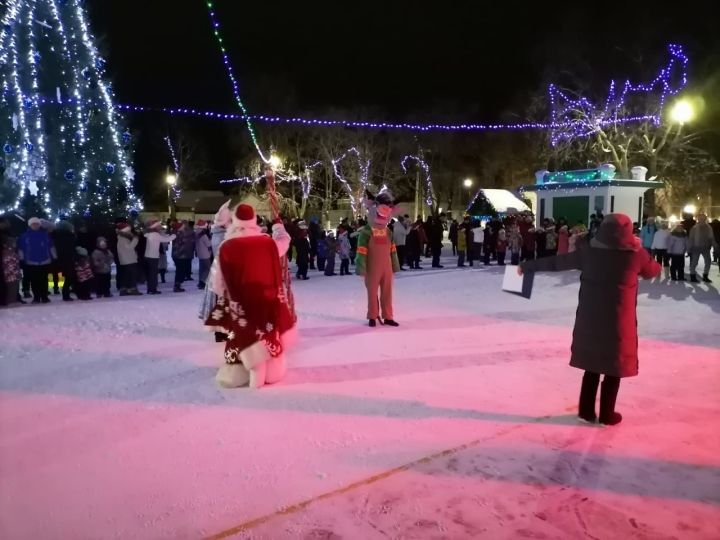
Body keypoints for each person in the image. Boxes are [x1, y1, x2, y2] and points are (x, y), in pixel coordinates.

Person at [519, 214, 661, 426]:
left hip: (590, 318)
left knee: (592, 365)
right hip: (619, 321)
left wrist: (528, 266)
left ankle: (586, 411)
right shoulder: (635, 254)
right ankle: (607, 414)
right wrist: (640, 252)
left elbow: (559, 262)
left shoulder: (589, 252)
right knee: (613, 367)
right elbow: (652, 270)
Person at [204, 203, 295, 389]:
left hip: (241, 302)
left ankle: (243, 372)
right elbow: (284, 242)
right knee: (268, 333)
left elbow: (217, 280)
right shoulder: (268, 243)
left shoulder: (227, 246)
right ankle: (271, 371)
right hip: (266, 300)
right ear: (254, 220)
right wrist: (278, 227)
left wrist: (225, 297)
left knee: (242, 335)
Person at [356, 191, 401, 327]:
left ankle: (388, 316)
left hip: (386, 268)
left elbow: (392, 250)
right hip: (372, 268)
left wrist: (395, 265)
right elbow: (361, 251)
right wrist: (361, 267)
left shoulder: (388, 231)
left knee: (387, 292)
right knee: (372, 292)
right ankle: (372, 316)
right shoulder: (366, 232)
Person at [200, 200, 232, 343]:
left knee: (220, 303)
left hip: (218, 271)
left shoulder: (218, 233)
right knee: (221, 303)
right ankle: (221, 332)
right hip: (222, 273)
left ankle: (221, 331)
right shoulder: (223, 236)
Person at [17, 217, 56, 303]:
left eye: (37, 224)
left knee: (44, 279)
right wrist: (21, 259)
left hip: (45, 260)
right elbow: (21, 249)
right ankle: (37, 297)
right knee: (34, 280)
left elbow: (51, 247)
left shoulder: (45, 235)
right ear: (30, 225)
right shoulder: (24, 236)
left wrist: (54, 257)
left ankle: (44, 296)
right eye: (33, 224)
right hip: (31, 261)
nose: (35, 225)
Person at [144, 218, 176, 294]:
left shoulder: (149, 233)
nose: (160, 227)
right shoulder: (155, 234)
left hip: (148, 255)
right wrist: (174, 236)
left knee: (150, 273)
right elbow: (165, 239)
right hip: (153, 256)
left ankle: (150, 289)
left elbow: (163, 236)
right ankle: (152, 289)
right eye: (159, 225)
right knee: (153, 273)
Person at [52, 219, 78, 301]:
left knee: (68, 276)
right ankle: (66, 294)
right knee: (70, 276)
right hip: (68, 258)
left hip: (60, 259)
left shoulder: (55, 236)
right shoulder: (70, 236)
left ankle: (65, 292)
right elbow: (72, 247)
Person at [687, 213, 716, 283]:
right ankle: (692, 276)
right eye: (701, 218)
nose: (702, 219)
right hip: (696, 247)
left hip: (706, 247)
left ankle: (705, 276)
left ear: (705, 219)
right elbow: (691, 239)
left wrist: (714, 245)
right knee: (694, 262)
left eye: (703, 218)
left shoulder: (709, 227)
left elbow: (711, 238)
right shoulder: (694, 228)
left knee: (708, 262)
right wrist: (689, 249)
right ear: (698, 219)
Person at [116, 222, 141, 296]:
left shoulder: (121, 238)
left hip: (126, 259)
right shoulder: (123, 239)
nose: (130, 232)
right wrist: (135, 240)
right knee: (132, 274)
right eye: (129, 230)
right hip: (129, 259)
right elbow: (129, 247)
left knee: (126, 275)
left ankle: (124, 289)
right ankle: (132, 289)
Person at [0, 217, 22, 306]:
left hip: (10, 261)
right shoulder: (6, 235)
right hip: (7, 261)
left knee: (12, 280)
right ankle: (9, 299)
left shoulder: (7, 233)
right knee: (10, 280)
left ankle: (12, 298)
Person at [171, 221, 195, 292]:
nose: (184, 226)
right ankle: (177, 285)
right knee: (180, 271)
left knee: (180, 270)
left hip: (179, 255)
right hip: (180, 255)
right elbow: (183, 242)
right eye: (183, 225)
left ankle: (178, 284)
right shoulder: (179, 234)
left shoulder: (178, 233)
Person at [195, 220, 212, 289]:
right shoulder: (203, 235)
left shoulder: (196, 233)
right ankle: (202, 282)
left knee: (201, 269)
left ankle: (200, 282)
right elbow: (208, 244)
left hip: (199, 253)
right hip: (205, 254)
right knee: (207, 269)